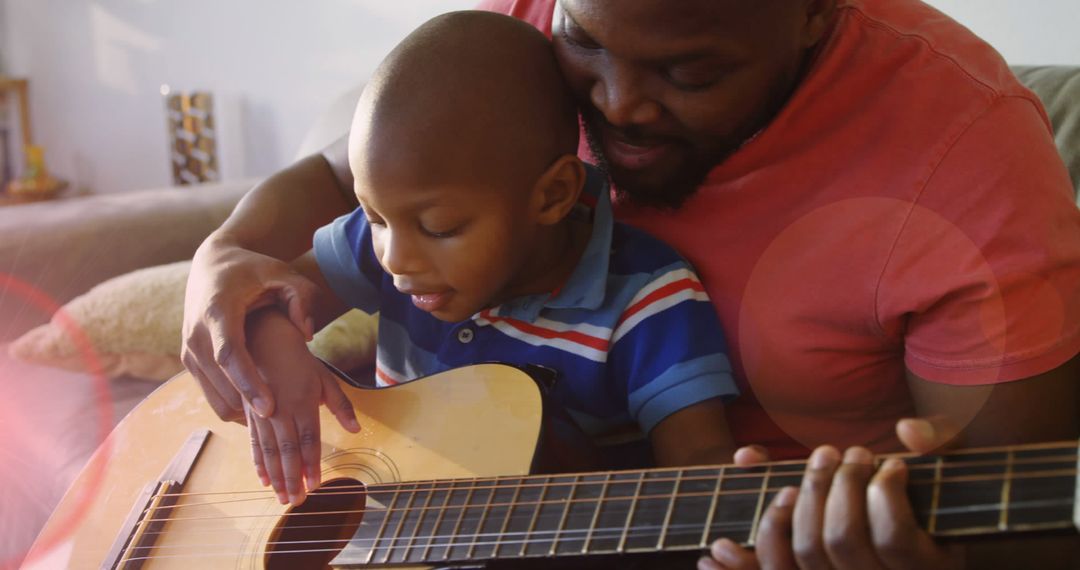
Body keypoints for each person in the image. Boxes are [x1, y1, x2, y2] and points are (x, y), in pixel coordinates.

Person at [181, 0, 1080, 567]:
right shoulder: (519, 40)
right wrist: (222, 267)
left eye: (689, 71)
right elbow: (353, 183)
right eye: (585, 42)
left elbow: (1034, 530)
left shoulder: (968, 150)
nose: (614, 104)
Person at [236, 10, 740, 508]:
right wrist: (275, 346)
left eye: (440, 228)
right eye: (374, 217)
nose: (395, 258)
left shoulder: (648, 299)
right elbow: (272, 301)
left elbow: (699, 465)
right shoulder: (393, 239)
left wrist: (745, 512)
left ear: (552, 195)